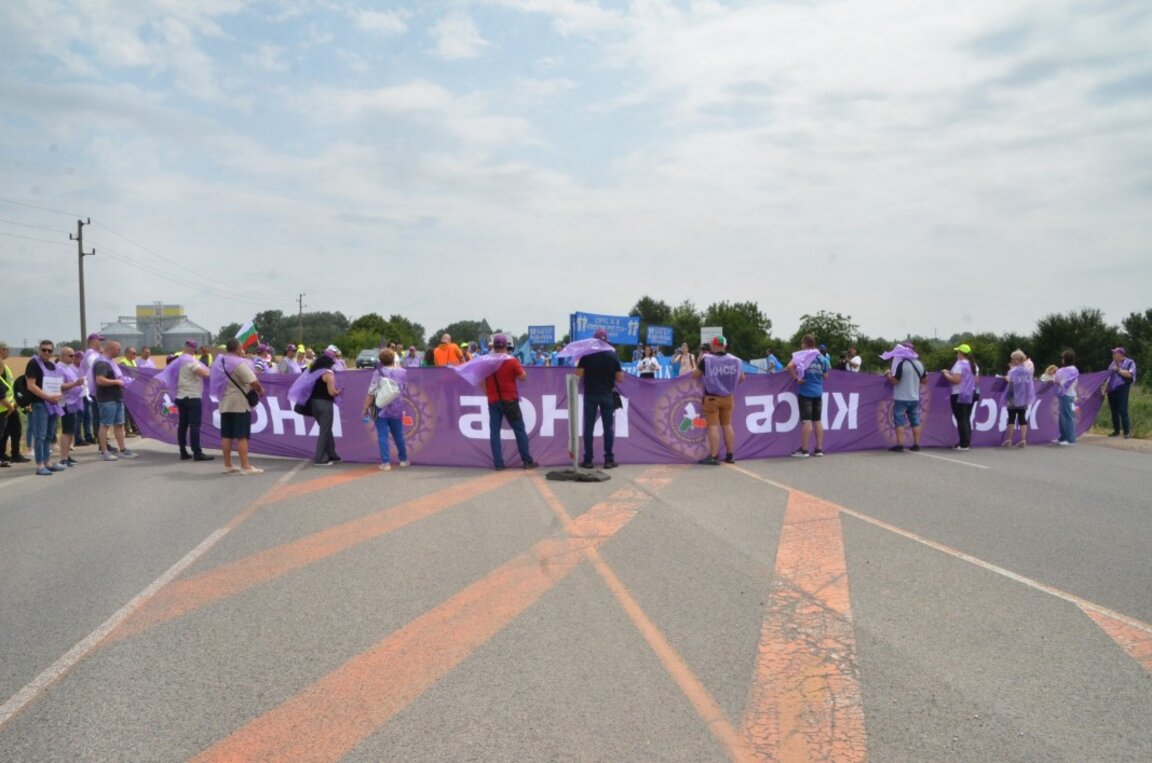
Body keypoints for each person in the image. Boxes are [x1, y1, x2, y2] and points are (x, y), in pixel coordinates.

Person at [483, 334, 536, 470]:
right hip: (510, 400)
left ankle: (499, 464)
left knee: (494, 432)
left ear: (494, 346)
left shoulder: (486, 362)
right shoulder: (511, 361)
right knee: (519, 430)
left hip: (493, 400)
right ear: (506, 346)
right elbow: (522, 377)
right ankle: (527, 461)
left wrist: (488, 393)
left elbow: (482, 382)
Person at [212, 338, 264, 474]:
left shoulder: (220, 361)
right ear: (237, 349)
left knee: (227, 435)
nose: (243, 350)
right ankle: (245, 467)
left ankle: (227, 465)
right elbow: (253, 381)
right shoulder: (239, 364)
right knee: (242, 436)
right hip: (239, 403)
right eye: (241, 347)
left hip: (224, 402)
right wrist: (260, 390)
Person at [575, 328, 624, 469]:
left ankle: (588, 459)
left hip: (590, 394)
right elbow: (620, 378)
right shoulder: (612, 355)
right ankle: (609, 459)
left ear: (594, 340)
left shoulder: (587, 355)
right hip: (607, 394)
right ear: (606, 340)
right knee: (608, 428)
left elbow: (578, 375)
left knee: (588, 427)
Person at [693, 335, 745, 464]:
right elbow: (742, 378)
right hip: (728, 397)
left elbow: (695, 375)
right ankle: (730, 455)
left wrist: (700, 358)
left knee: (713, 426)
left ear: (713, 346)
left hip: (712, 398)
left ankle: (714, 456)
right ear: (725, 346)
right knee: (727, 425)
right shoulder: (736, 361)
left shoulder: (707, 359)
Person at [25, 340, 68, 475]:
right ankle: (40, 465)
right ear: (39, 350)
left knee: (49, 435)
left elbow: (57, 384)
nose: (46, 352)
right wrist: (48, 397)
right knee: (40, 435)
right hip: (40, 404)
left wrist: (58, 396)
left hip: (53, 404)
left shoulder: (51, 365)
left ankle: (47, 462)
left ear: (52, 352)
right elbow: (31, 385)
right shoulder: (33, 363)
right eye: (44, 350)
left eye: (49, 350)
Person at [91, 341, 137, 460]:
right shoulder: (102, 363)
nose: (119, 352)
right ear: (111, 349)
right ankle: (104, 451)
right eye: (118, 349)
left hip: (117, 397)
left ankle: (122, 450)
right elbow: (100, 380)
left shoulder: (111, 362)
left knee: (119, 424)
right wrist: (116, 382)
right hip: (107, 399)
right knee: (105, 425)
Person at [364, 348, 409, 471]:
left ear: (380, 360)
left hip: (381, 407)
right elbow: (404, 388)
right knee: (398, 434)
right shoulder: (403, 372)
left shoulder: (378, 372)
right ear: (393, 358)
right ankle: (403, 460)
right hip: (397, 406)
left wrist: (365, 407)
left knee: (382, 435)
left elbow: (372, 392)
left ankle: (386, 462)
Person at [786, 334, 830, 458]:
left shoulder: (801, 355)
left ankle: (804, 450)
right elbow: (826, 376)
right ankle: (819, 449)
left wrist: (796, 379)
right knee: (817, 420)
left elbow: (789, 367)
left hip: (805, 392)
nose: (801, 345)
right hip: (818, 392)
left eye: (801, 343)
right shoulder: (822, 358)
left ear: (805, 343)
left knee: (806, 421)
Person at [172, 340, 214, 462]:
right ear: (193, 350)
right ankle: (197, 452)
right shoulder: (191, 361)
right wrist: (211, 372)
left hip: (181, 396)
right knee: (194, 425)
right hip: (192, 396)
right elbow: (203, 374)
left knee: (183, 425)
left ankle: (183, 451)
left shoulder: (178, 360)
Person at [883, 342, 926, 452]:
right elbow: (925, 380)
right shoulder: (919, 364)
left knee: (899, 421)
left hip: (901, 398)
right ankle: (916, 444)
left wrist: (888, 375)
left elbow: (895, 381)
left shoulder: (901, 365)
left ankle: (900, 445)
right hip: (915, 398)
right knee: (915, 421)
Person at [308, 351, 343, 467]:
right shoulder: (329, 374)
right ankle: (320, 458)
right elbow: (331, 392)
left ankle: (332, 454)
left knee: (326, 429)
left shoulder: (314, 373)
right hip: (325, 404)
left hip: (314, 403)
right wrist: (339, 392)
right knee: (325, 430)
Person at [940, 343, 977, 451]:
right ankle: (966, 442)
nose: (956, 354)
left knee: (961, 419)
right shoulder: (972, 364)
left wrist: (946, 373)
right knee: (966, 418)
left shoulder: (959, 365)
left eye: (957, 352)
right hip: (969, 393)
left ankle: (964, 444)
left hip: (958, 393)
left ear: (961, 353)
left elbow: (956, 380)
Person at [56, 346, 86, 467]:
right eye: (71, 355)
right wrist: (76, 383)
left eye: (74, 355)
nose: (73, 358)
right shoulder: (59, 368)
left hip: (74, 402)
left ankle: (67, 455)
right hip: (66, 403)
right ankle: (63, 458)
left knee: (70, 431)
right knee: (66, 430)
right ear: (62, 356)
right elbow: (60, 386)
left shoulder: (70, 368)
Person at [1001, 350, 1036, 448]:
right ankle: (1023, 440)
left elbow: (1011, 381)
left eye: (1013, 359)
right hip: (1023, 396)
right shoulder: (1027, 372)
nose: (1012, 361)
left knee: (1011, 418)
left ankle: (1009, 440)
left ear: (1017, 360)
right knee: (1022, 417)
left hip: (1013, 396)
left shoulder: (1013, 371)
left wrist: (1006, 378)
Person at [1104, 347, 1136, 439]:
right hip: (1111, 390)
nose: (1113, 355)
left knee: (1123, 410)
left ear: (1121, 354)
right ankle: (1116, 431)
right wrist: (1105, 389)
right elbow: (1108, 377)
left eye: (1115, 353)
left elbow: (1130, 374)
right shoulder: (1112, 363)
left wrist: (1118, 370)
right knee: (1114, 411)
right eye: (1113, 353)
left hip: (1122, 388)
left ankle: (1127, 432)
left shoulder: (1130, 362)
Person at [1053, 350, 1079, 446]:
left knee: (1066, 417)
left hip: (1065, 395)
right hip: (1071, 394)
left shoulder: (1060, 371)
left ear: (1064, 360)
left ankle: (1070, 439)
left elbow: (1056, 381)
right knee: (1064, 417)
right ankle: (1063, 437)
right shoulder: (1075, 369)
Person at [0, 340, 19, 467]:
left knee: (10, 431)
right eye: (7, 349)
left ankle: (9, 455)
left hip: (8, 407)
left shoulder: (5, 367)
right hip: (5, 408)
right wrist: (10, 407)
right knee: (3, 434)